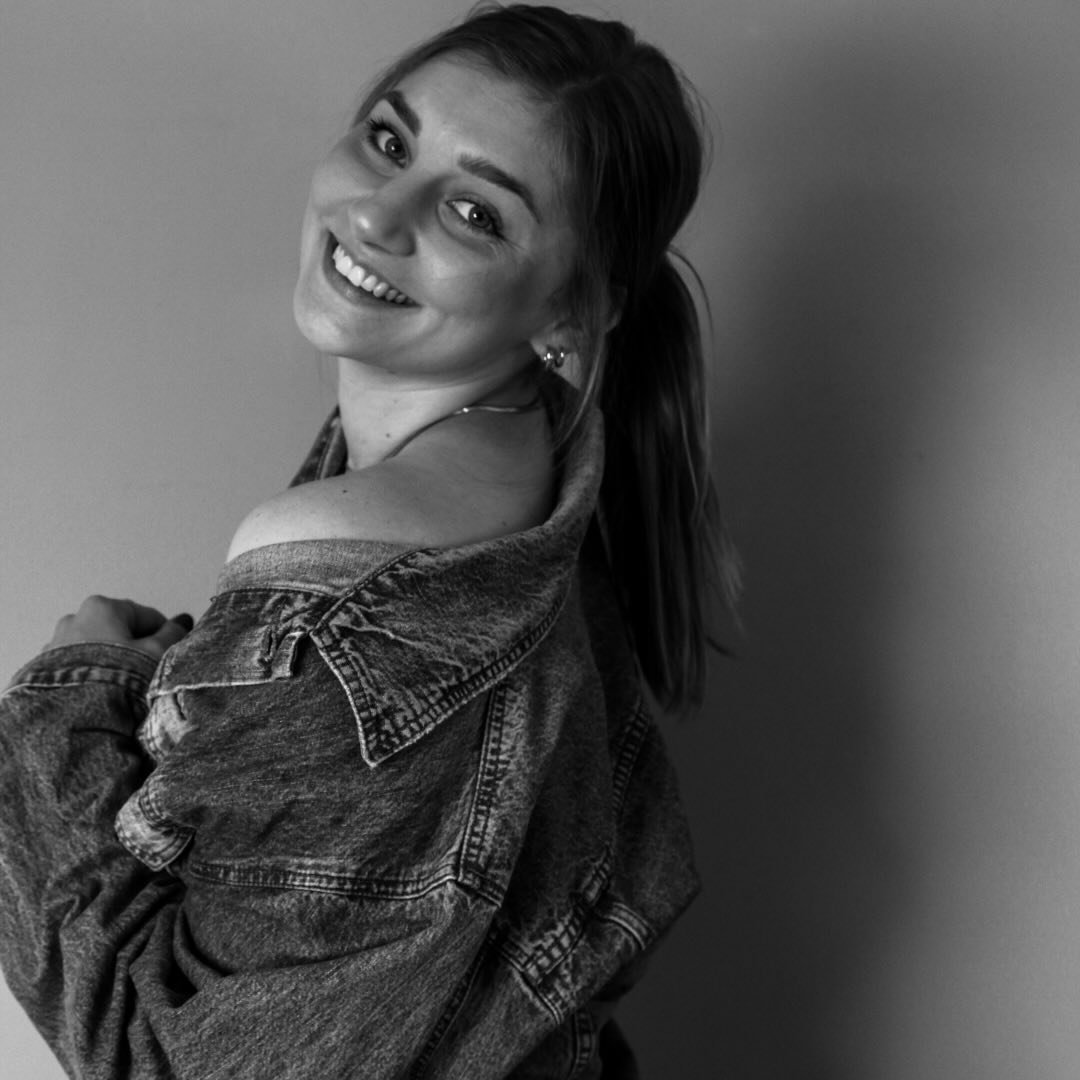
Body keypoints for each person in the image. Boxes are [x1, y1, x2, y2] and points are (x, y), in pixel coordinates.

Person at [0, 4, 737, 1077]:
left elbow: (162, 1063)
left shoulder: (342, 560)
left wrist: (61, 705)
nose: (377, 215)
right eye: (391, 141)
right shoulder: (535, 466)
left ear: (571, 313)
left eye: (475, 212)